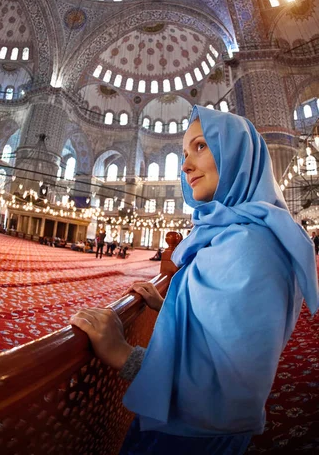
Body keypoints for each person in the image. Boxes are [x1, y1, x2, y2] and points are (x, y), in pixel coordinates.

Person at [70, 106, 319, 455]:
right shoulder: (235, 234)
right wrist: (170, 304)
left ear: (236, 154)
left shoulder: (248, 246)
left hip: (194, 436)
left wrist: (120, 354)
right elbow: (223, 328)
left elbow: (219, 388)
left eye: (201, 146)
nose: (185, 165)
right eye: (185, 153)